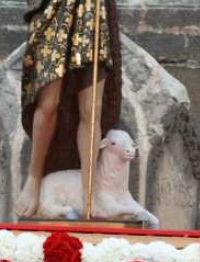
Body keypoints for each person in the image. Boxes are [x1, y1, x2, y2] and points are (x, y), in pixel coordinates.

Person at [16, 0, 123, 218]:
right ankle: (34, 177)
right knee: (48, 102)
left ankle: (89, 193)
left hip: (91, 9)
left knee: (92, 107)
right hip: (53, 8)